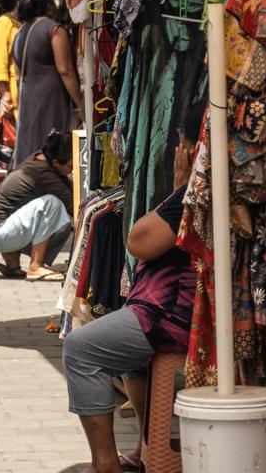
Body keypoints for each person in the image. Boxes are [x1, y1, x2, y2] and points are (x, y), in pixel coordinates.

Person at [61, 107, 201, 473]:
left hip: (173, 310)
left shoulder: (198, 191)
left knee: (81, 349)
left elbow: (140, 242)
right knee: (132, 360)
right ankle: (145, 447)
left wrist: (179, 188)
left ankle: (104, 464)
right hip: (175, 305)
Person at [0, 129, 74, 281]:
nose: (72, 170)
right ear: (57, 162)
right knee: (52, 205)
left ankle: (12, 259)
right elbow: (73, 206)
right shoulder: (43, 174)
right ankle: (36, 266)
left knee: (54, 213)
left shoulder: (40, 159)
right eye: (71, 166)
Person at [11, 0, 83, 167]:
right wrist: (80, 103)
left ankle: (32, 177)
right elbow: (65, 69)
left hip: (28, 96)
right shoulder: (54, 30)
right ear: (50, 7)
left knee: (32, 140)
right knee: (54, 142)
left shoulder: (19, 33)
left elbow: (18, 71)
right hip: (52, 96)